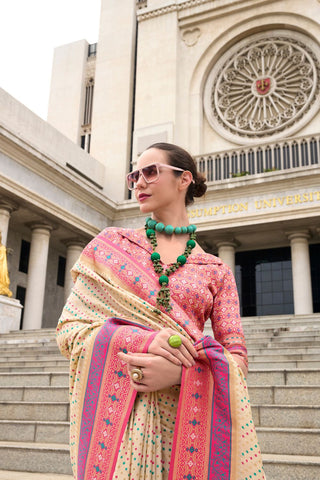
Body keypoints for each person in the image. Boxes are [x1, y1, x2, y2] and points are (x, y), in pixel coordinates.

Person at [56, 142, 265, 480]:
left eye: (150, 172)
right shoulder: (111, 246)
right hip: (121, 417)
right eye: (134, 175)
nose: (139, 182)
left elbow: (236, 360)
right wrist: (138, 340)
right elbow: (69, 331)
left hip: (188, 426)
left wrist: (184, 374)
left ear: (184, 179)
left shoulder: (215, 270)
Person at [0, 232, 12, 297]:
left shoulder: (2, 247)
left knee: (3, 276)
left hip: (2, 265)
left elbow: (2, 256)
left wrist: (6, 251)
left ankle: (2, 287)